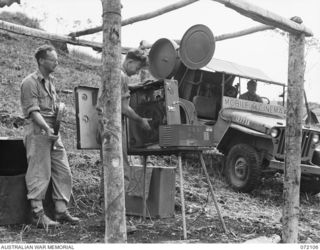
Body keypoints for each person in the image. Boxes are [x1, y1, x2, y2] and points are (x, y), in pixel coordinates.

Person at [20, 45, 79, 228]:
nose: (57, 62)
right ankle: (38, 215)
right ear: (41, 61)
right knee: (39, 172)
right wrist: (47, 129)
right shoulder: (29, 82)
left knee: (63, 170)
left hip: (53, 132)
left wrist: (60, 116)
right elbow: (33, 112)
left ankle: (61, 211)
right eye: (53, 60)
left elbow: (53, 109)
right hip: (39, 132)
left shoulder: (51, 82)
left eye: (57, 59)